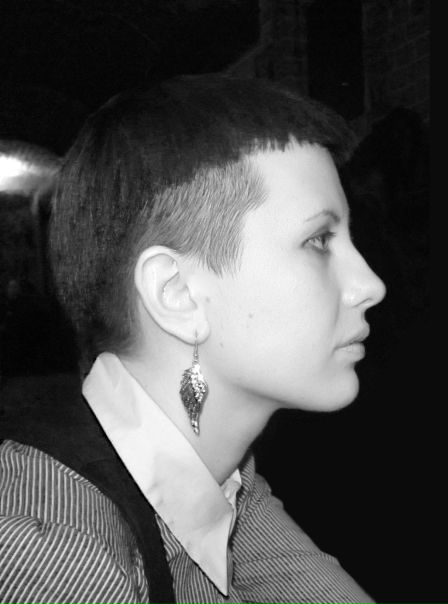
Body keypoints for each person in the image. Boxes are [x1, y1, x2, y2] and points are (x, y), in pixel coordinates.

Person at [0, 74, 386, 603]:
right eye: (319, 240)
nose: (370, 285)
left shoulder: (220, 474)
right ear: (177, 293)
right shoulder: (56, 555)